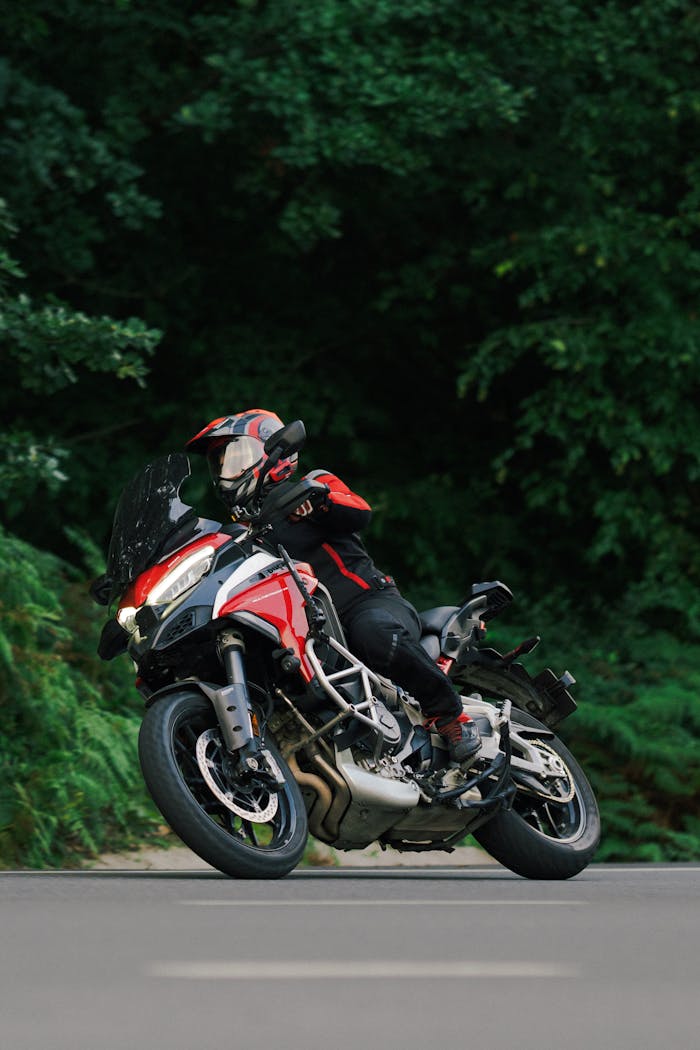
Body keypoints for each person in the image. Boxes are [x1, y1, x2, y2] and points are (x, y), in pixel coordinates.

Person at [185, 408, 480, 763]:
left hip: (367, 603)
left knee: (371, 631)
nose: (225, 471)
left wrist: (320, 502)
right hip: (308, 632)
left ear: (272, 452)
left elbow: (359, 511)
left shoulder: (312, 487)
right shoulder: (239, 536)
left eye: (236, 457)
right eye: (219, 463)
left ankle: (451, 716)